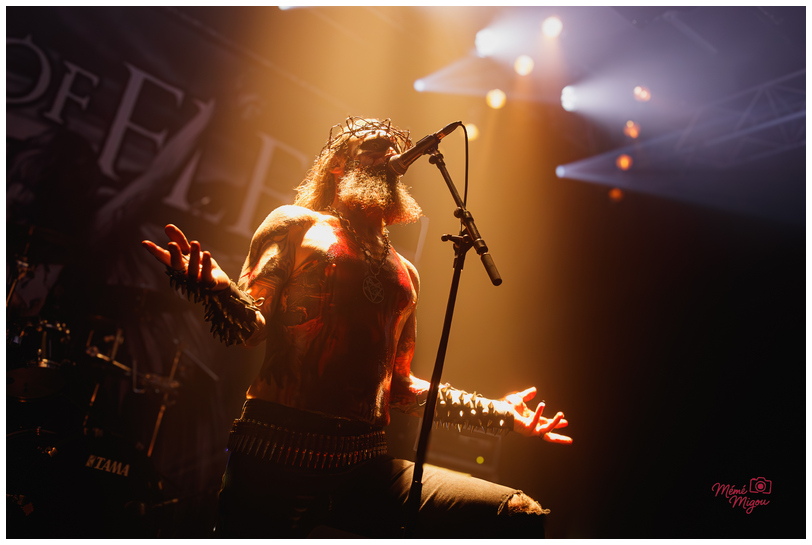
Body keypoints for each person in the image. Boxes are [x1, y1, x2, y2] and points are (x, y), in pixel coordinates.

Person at [142, 117, 572, 538]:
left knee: (515, 515)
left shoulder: (405, 273)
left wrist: (500, 414)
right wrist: (216, 290)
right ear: (336, 165)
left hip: (363, 466)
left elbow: (399, 387)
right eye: (374, 147)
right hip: (277, 454)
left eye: (393, 149)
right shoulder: (297, 226)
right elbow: (251, 331)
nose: (390, 155)